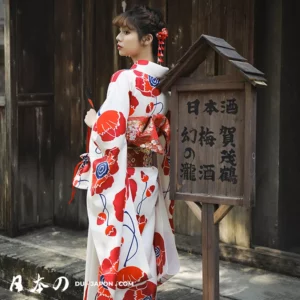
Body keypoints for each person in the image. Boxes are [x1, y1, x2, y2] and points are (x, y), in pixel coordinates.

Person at [81, 5, 180, 300]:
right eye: (119, 32)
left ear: (148, 39)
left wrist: (93, 122)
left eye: (127, 32)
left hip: (124, 179)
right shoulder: (169, 84)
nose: (119, 38)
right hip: (149, 177)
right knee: (143, 245)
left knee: (120, 248)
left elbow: (110, 136)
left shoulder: (124, 79)